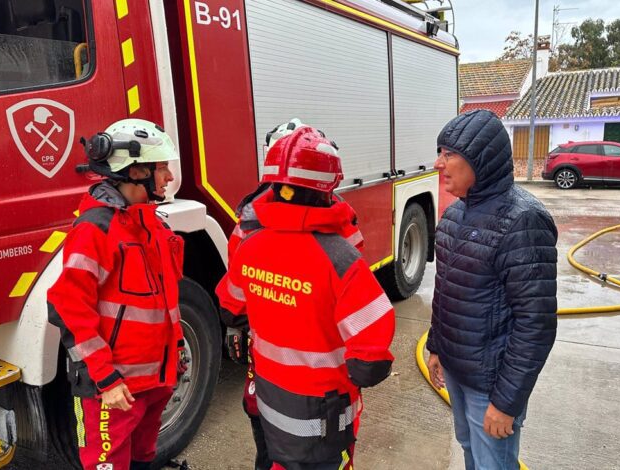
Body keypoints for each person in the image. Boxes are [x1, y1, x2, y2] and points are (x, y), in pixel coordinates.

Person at [216, 124, 394, 470]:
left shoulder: (250, 246)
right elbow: (370, 361)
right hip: (324, 421)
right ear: (328, 188)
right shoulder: (341, 258)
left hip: (272, 405)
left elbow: (230, 306)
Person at [48, 119, 186, 470]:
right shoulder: (95, 229)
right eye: (162, 169)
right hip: (112, 390)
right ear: (135, 171)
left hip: (155, 381)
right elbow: (67, 306)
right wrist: (105, 378)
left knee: (143, 458)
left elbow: (164, 303)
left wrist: (177, 353)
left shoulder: (153, 225)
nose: (169, 177)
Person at [426, 110, 558, 469]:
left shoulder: (523, 221)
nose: (439, 163)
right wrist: (436, 346)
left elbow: (536, 323)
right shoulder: (455, 215)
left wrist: (506, 402)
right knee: (470, 450)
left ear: (479, 159)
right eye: (440, 152)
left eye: (449, 154)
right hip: (457, 370)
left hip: (491, 385)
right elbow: (445, 290)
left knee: (492, 465)